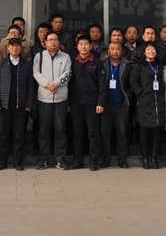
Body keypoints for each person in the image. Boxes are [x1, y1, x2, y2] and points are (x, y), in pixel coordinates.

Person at [0, 37, 33, 170]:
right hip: (4, 105)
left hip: (21, 106)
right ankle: (2, 161)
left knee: (19, 134)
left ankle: (18, 162)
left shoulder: (26, 65)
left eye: (17, 46)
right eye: (12, 46)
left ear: (21, 48)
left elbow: (31, 86)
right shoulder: (1, 64)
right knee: (3, 134)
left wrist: (28, 104)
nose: (15, 48)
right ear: (8, 48)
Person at [33, 31, 72, 169]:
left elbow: (68, 73)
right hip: (44, 98)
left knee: (60, 129)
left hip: (61, 98)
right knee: (44, 130)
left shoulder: (66, 57)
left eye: (55, 39)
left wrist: (55, 84)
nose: (53, 42)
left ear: (59, 42)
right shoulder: (39, 56)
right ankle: (43, 159)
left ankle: (60, 159)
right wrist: (48, 85)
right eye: (50, 40)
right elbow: (36, 73)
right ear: (45, 42)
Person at [68, 35, 104, 171]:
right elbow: (69, 84)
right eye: (81, 44)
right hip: (76, 103)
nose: (83, 46)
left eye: (86, 44)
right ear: (77, 47)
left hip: (92, 103)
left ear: (90, 46)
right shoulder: (72, 62)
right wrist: (68, 103)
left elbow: (102, 84)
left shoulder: (97, 62)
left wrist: (100, 102)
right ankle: (78, 160)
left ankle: (94, 161)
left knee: (93, 133)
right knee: (77, 133)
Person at [129, 43, 165, 169]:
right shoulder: (139, 66)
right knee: (144, 132)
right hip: (145, 101)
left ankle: (154, 157)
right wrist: (141, 93)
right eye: (148, 49)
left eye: (153, 49)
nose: (151, 51)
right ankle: (145, 157)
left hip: (158, 101)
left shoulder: (160, 66)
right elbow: (133, 82)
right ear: (144, 53)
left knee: (156, 132)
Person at [99, 40, 130, 168]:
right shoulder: (102, 64)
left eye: (118, 49)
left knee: (122, 133)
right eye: (112, 49)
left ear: (121, 51)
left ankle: (122, 160)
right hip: (105, 104)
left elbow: (129, 84)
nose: (115, 51)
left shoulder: (127, 64)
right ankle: (105, 159)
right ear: (108, 51)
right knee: (105, 133)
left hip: (121, 104)